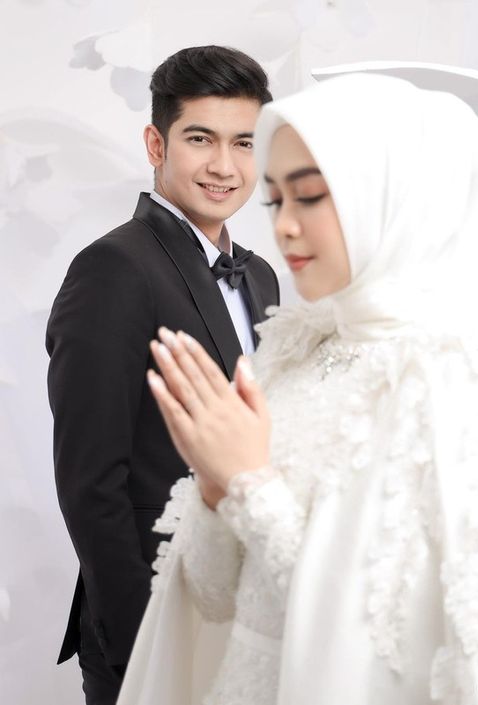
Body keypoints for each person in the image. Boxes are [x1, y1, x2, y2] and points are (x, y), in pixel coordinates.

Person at [119, 73, 478, 705]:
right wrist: (216, 489)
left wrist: (249, 483)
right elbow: (214, 598)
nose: (284, 227)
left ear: (394, 198)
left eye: (310, 197)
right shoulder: (297, 347)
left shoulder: (447, 381)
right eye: (276, 201)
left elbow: (388, 649)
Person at [46, 45, 279, 705]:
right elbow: (91, 483)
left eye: (243, 142)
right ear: (156, 142)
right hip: (153, 617)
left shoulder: (260, 276)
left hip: (248, 618)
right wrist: (143, 641)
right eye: (201, 139)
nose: (224, 166)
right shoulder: (113, 269)